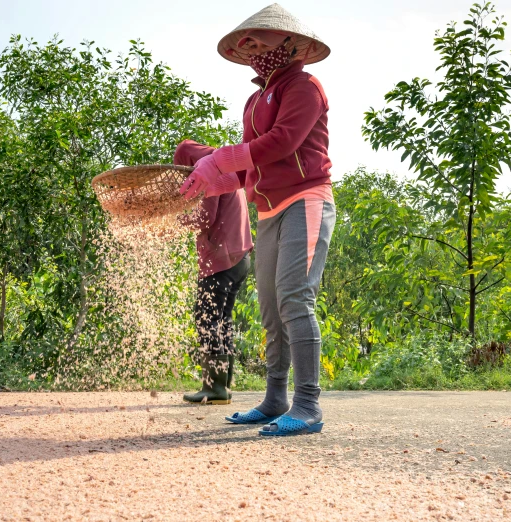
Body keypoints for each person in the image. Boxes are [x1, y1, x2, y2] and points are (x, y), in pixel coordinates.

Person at [179, 3, 335, 436]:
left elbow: (283, 142)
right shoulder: (254, 99)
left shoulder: (304, 87)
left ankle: (307, 405)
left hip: (306, 200)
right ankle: (275, 399)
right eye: (246, 44)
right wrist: (209, 181)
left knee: (294, 298)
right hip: (268, 210)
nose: (251, 50)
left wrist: (221, 158)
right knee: (270, 308)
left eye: (258, 41)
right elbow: (249, 170)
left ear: (289, 44)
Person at [175, 142, 253, 405]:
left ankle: (215, 387)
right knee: (222, 320)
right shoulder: (224, 165)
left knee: (205, 318)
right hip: (240, 258)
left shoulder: (206, 171)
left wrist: (173, 220)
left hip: (220, 259)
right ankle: (224, 385)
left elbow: (204, 219)